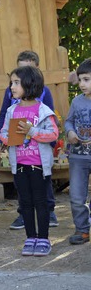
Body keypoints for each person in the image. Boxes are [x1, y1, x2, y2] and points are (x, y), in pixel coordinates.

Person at [0, 50, 58, 229]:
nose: (12, 86)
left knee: (41, 196)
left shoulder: (43, 105)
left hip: (39, 160)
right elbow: (4, 127)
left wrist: (34, 134)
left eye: (16, 82)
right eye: (12, 82)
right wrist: (3, 138)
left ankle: (48, 216)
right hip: (20, 161)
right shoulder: (11, 108)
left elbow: (52, 130)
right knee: (25, 196)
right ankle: (26, 223)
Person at [65, 58, 91, 245]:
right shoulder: (76, 102)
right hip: (78, 157)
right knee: (76, 196)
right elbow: (68, 121)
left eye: (87, 79)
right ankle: (82, 230)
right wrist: (70, 131)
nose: (82, 84)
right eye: (80, 79)